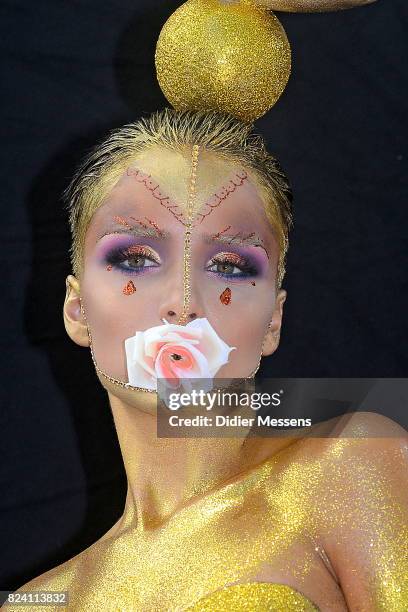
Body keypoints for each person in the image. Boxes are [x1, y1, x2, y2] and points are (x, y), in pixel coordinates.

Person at [7, 1, 407, 611]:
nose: (184, 303)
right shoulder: (41, 602)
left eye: (230, 266)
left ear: (272, 318)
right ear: (76, 309)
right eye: (135, 258)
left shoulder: (354, 461)